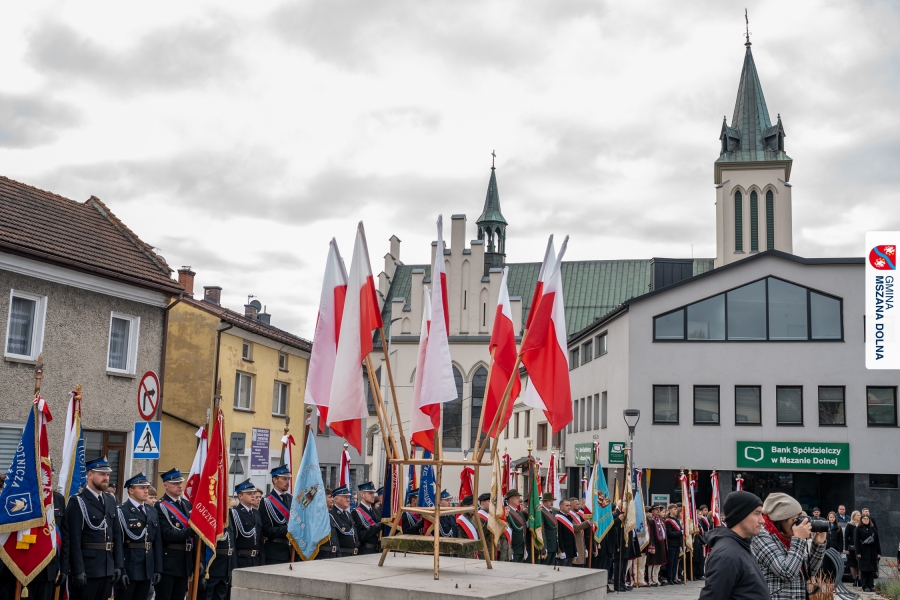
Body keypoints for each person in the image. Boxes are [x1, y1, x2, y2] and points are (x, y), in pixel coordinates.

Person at [66, 456, 123, 600]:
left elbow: (116, 534)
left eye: (108, 474)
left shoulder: (110, 500)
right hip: (88, 567)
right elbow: (74, 539)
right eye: (102, 474)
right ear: (90, 475)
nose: (106, 478)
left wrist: (117, 565)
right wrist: (78, 569)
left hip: (106, 567)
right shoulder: (78, 501)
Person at [752, 493, 826, 600]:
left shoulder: (789, 536)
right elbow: (787, 573)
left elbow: (809, 573)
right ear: (781, 519)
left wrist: (818, 544)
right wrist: (799, 539)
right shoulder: (761, 535)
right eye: (795, 520)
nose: (798, 524)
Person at [698, 490, 768, 600]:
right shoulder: (727, 555)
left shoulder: (740, 546)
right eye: (757, 513)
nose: (762, 520)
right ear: (740, 515)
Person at [116, 473, 162, 600]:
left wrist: (157, 568)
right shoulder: (121, 510)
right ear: (131, 490)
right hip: (129, 565)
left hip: (147, 567)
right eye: (142, 488)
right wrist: (121, 569)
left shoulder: (152, 511)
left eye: (147, 488)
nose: (146, 491)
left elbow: (156, 542)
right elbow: (118, 543)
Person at [155, 467, 196, 600]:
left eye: (180, 483)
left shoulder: (187, 504)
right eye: (175, 483)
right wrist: (191, 532)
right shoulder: (160, 506)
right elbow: (166, 534)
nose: (179, 486)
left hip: (185, 560)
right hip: (169, 561)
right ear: (165, 486)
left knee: (179, 597)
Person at [260, 464, 294, 564]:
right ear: (275, 480)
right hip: (275, 552)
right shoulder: (266, 501)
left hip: (291, 550)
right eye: (284, 479)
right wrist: (288, 530)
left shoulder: (291, 499)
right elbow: (266, 530)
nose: (287, 482)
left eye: (288, 479)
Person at [231, 479, 264, 567]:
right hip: (241, 559)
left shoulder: (257, 513)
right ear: (240, 496)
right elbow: (233, 540)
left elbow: (260, 539)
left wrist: (262, 561)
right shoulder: (234, 513)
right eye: (249, 494)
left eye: (254, 493)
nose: (253, 496)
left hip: (256, 560)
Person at [328, 486, 359, 556]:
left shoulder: (348, 514)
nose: (348, 500)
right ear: (336, 499)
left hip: (353, 554)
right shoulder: (331, 515)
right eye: (345, 497)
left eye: (348, 497)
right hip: (342, 554)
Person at [352, 481, 381, 554]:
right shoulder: (356, 512)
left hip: (378, 550)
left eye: (373, 493)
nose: (373, 495)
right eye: (370, 493)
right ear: (362, 495)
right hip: (365, 550)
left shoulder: (376, 511)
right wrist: (376, 527)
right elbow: (360, 535)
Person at [854, 514, 881, 592]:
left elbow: (877, 542)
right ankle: (864, 585)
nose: (866, 520)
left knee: (871, 569)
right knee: (864, 569)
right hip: (863, 550)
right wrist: (858, 552)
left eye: (867, 519)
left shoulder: (873, 529)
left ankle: (871, 585)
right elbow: (856, 542)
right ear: (861, 520)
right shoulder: (858, 529)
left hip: (872, 551)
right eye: (864, 518)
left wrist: (878, 552)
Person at [646, 505, 667, 586]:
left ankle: (655, 578)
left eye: (659, 509)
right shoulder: (651, 520)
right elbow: (651, 533)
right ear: (652, 511)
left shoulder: (660, 520)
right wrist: (651, 545)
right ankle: (650, 579)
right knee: (652, 562)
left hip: (661, 543)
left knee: (659, 563)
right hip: (654, 543)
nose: (658, 511)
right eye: (656, 509)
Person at [664, 504, 684, 585]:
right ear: (670, 510)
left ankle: (673, 577)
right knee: (671, 562)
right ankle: (669, 578)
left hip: (677, 544)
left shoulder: (676, 520)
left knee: (675, 562)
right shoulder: (668, 520)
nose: (676, 510)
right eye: (675, 509)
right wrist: (680, 532)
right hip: (671, 544)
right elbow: (670, 533)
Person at [506, 490, 526, 562]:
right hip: (513, 547)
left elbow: (523, 527)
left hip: (521, 546)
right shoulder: (507, 512)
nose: (519, 500)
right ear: (510, 499)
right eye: (517, 498)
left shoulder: (519, 513)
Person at [822, 511, 844, 579]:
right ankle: (827, 577)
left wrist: (840, 549)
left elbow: (841, 539)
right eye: (830, 517)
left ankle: (833, 578)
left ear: (835, 518)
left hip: (835, 548)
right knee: (826, 563)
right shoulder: (825, 526)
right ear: (828, 518)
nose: (832, 519)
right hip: (826, 547)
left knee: (834, 564)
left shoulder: (838, 527)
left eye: (833, 517)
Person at [540, 493, 559, 566]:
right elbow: (542, 530)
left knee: (552, 566)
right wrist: (544, 547)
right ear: (544, 502)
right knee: (545, 566)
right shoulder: (541, 512)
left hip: (554, 544)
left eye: (552, 501)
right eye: (549, 501)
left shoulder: (553, 512)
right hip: (547, 544)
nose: (552, 502)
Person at [694, 505, 711, 579]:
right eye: (699, 514)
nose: (701, 515)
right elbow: (698, 533)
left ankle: (701, 573)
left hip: (702, 541)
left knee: (702, 559)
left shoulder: (700, 522)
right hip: (699, 542)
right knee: (699, 560)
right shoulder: (696, 522)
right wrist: (703, 541)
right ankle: (698, 574)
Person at [845, 510, 861, 586]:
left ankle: (860, 579)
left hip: (861, 547)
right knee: (852, 564)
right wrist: (846, 549)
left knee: (860, 564)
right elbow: (846, 537)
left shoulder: (862, 525)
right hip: (852, 548)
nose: (860, 516)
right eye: (858, 515)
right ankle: (854, 579)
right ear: (854, 517)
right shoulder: (849, 525)